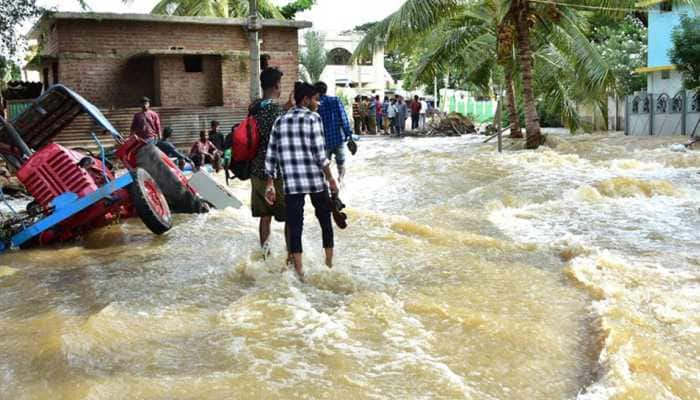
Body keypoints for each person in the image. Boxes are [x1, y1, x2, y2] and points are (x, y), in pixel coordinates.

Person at [264, 82, 339, 279]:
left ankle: (299, 270)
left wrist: (270, 184)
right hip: (315, 180)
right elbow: (319, 153)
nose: (318, 103)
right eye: (315, 99)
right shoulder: (313, 118)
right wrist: (330, 178)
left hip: (292, 183)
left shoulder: (280, 121)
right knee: (325, 221)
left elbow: (271, 154)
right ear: (305, 100)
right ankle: (329, 264)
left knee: (295, 225)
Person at [314, 81, 353, 182]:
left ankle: (328, 183)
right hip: (337, 139)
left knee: (324, 165)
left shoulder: (315, 104)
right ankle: (340, 179)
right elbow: (343, 118)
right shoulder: (335, 100)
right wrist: (349, 134)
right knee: (341, 162)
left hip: (323, 142)